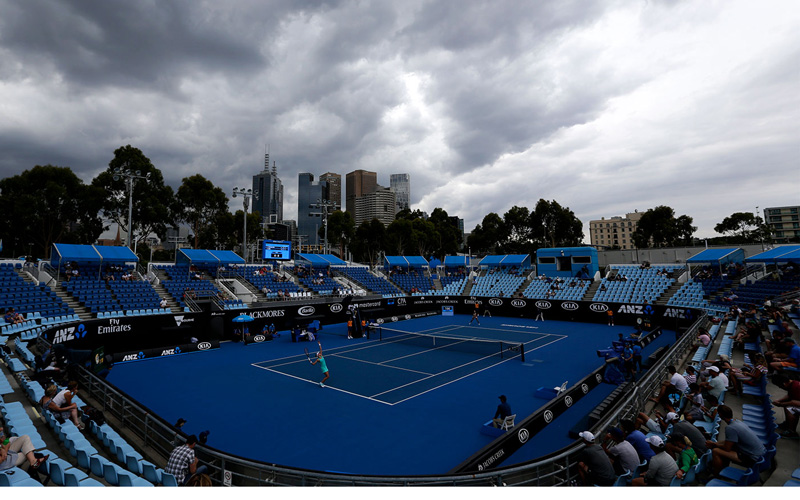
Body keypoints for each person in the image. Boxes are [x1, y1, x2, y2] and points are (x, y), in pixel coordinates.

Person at [705, 405, 766, 476]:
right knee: (719, 445)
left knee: (716, 451)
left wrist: (714, 445)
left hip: (753, 458)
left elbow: (727, 448)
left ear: (720, 414)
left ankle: (716, 475)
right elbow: (728, 442)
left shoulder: (730, 428)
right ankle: (722, 469)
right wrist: (716, 443)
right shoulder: (737, 422)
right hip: (760, 454)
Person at [772, 374, 800, 439]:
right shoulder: (793, 383)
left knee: (789, 408)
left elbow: (797, 403)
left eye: (780, 386)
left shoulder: (796, 387)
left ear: (784, 383)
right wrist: (779, 400)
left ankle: (792, 432)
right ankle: (788, 424)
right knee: (788, 405)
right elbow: (789, 396)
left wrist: (780, 404)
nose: (780, 387)